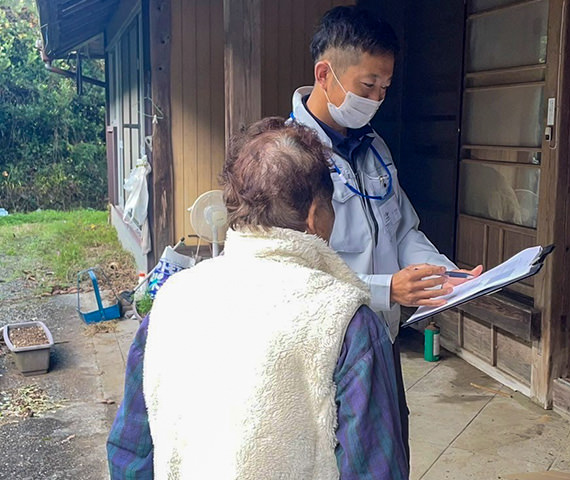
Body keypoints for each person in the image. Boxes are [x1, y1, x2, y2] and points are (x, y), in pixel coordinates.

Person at [107, 118, 408, 479]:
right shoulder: (346, 321)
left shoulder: (171, 301)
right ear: (315, 217)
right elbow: (375, 469)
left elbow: (130, 453)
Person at [291, 6, 483, 462]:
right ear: (325, 74)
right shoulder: (288, 157)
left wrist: (443, 274)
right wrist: (385, 289)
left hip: (383, 338)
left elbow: (402, 229)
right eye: (367, 86)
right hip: (324, 346)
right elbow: (293, 275)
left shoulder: (374, 146)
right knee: (337, 458)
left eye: (385, 87)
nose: (377, 98)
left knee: (388, 454)